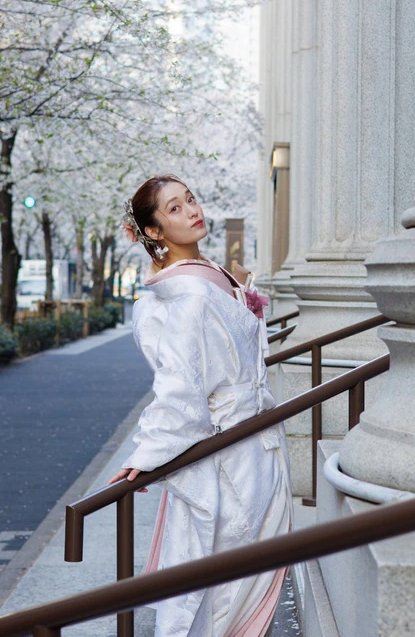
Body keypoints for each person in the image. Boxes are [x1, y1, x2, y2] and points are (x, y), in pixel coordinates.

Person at [109, 174, 291, 637]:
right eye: (174, 208)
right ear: (154, 231)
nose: (192, 210)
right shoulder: (186, 293)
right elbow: (180, 383)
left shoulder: (205, 276)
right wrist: (149, 452)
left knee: (241, 575)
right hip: (233, 451)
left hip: (255, 441)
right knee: (231, 582)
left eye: (190, 199)